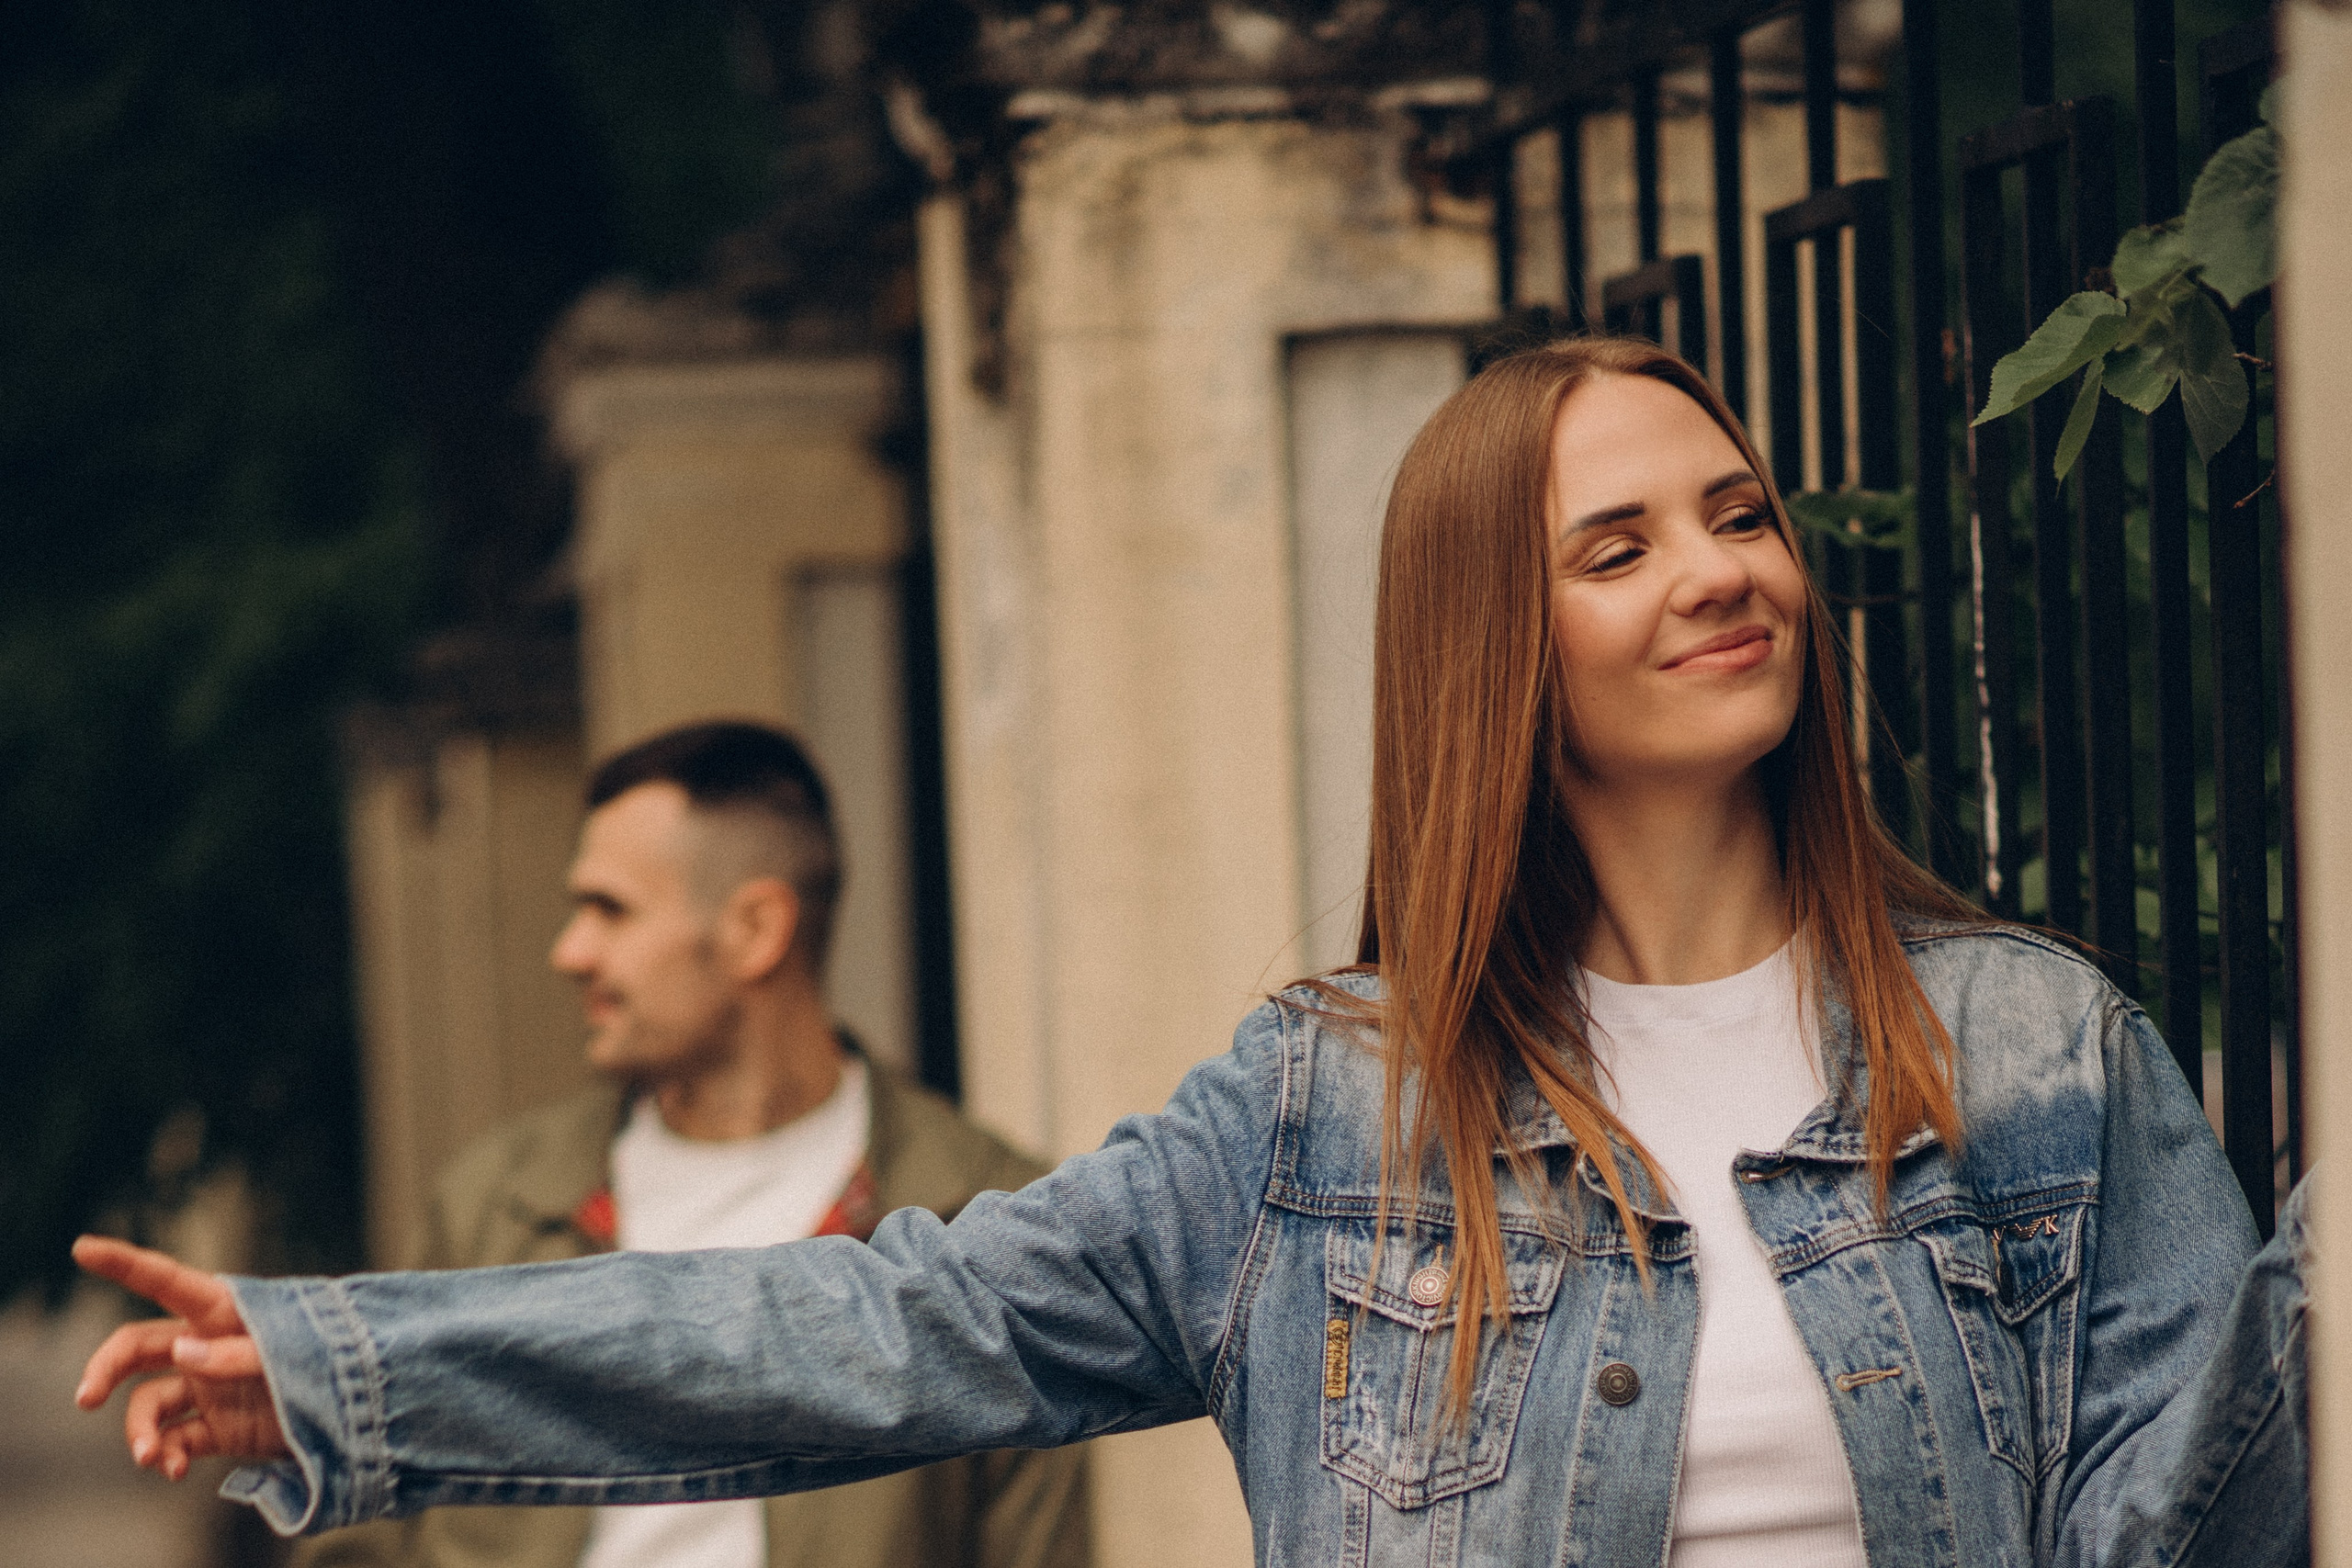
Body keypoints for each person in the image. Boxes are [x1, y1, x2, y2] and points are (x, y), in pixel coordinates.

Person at [75, 337, 2309, 1567]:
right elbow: (882, 1321)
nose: (1715, 571)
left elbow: (2223, 1485)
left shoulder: (2026, 1048)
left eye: (1733, 514)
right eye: (1612, 544)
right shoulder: (1330, 1114)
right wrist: (352, 1370)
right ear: (1486, 645)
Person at [288, 721, 1092, 1568]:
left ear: (756, 928)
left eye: (611, 909)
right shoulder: (497, 1205)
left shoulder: (978, 1218)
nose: (571, 951)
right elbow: (362, 1526)